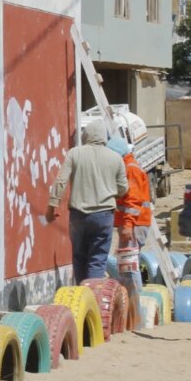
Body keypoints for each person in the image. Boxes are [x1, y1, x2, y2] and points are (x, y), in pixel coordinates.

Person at [46, 120, 129, 282]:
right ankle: (93, 299)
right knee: (97, 260)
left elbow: (61, 182)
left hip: (78, 216)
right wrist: (110, 193)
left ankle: (82, 299)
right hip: (104, 216)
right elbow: (123, 188)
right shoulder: (116, 158)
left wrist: (51, 208)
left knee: (79, 258)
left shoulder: (74, 153)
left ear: (86, 135)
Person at [107, 136, 153, 248]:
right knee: (127, 261)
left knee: (128, 261)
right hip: (133, 222)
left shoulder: (130, 169)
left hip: (134, 223)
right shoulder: (127, 167)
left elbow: (133, 200)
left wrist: (128, 225)